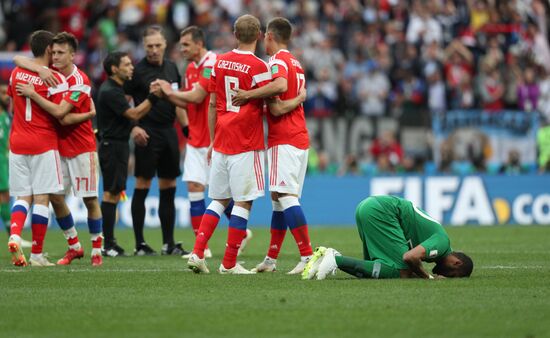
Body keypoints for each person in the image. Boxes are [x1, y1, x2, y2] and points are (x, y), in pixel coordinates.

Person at [186, 14, 274, 274]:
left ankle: (197, 253)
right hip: (246, 142)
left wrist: (213, 139)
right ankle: (229, 263)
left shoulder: (219, 61)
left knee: (217, 200)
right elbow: (271, 96)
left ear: (235, 35)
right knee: (244, 202)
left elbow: (212, 104)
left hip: (222, 138)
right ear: (258, 36)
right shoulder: (260, 67)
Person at [232, 17, 313, 274]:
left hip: (285, 139)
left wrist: (247, 95)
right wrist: (298, 99)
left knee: (285, 196)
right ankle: (271, 259)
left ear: (269, 36)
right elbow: (289, 96)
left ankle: (308, 256)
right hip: (298, 138)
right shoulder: (296, 63)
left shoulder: (277, 61)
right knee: (279, 198)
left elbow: (278, 99)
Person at [15, 32, 103, 266]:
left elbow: (60, 115)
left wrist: (33, 95)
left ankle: (97, 250)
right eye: (53, 52)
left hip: (82, 148)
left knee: (90, 200)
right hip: (57, 148)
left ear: (73, 55)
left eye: (61, 53)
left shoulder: (80, 81)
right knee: (54, 196)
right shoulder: (49, 75)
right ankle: (74, 245)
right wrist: (42, 71)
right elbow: (18, 60)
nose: (55, 57)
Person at [155, 26, 235, 259]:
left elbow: (198, 96)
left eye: (186, 44)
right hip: (195, 138)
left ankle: (241, 231)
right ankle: (203, 247)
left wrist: (168, 92)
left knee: (219, 194)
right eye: (181, 45)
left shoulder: (212, 64)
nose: (182, 49)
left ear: (199, 44)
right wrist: (164, 94)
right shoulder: (190, 68)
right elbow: (185, 102)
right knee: (194, 188)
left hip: (215, 139)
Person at [124, 25, 188, 256]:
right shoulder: (137, 71)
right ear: (143, 46)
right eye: (149, 46)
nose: (153, 50)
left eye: (157, 45)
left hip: (168, 132)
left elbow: (178, 102)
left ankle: (168, 243)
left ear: (165, 45)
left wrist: (187, 130)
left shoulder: (172, 68)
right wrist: (134, 127)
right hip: (146, 133)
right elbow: (124, 103)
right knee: (142, 185)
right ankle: (140, 243)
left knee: (169, 187)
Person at [7, 30, 69, 266]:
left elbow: (13, 106)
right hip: (43, 142)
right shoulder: (55, 78)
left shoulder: (15, 73)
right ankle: (37, 254)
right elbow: (61, 114)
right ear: (48, 50)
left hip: (18, 141)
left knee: (23, 195)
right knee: (42, 197)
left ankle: (14, 233)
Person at [303, 195, 473, 280]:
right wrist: (425, 276)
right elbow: (409, 257)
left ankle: (328, 255)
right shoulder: (442, 243)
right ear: (457, 262)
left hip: (367, 206)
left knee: (374, 270)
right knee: (402, 272)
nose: (448, 277)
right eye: (453, 275)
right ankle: (335, 260)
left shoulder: (438, 246)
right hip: (382, 211)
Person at [97, 51, 161, 257]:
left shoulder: (115, 89)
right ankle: (107, 245)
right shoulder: (111, 91)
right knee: (110, 193)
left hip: (118, 144)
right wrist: (153, 97)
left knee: (115, 192)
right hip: (112, 145)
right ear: (114, 69)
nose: (131, 67)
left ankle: (110, 243)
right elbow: (133, 114)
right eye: (126, 64)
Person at [0, 83, 31, 248]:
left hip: (4, 161)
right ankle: (13, 235)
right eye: (3, 93)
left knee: (4, 197)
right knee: (4, 196)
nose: (6, 96)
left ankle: (13, 235)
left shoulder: (6, 115)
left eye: (7, 93)